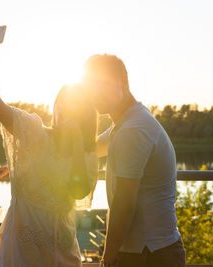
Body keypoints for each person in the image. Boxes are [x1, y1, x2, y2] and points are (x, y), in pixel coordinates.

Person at [0, 27, 99, 267]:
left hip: (62, 252)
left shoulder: (87, 154)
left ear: (85, 115)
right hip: (21, 251)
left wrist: (77, 143)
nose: (63, 111)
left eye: (72, 106)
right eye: (60, 103)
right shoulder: (34, 133)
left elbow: (78, 191)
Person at [82, 54, 186, 267]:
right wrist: (30, 152)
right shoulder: (128, 122)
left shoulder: (133, 130)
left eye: (101, 85)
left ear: (123, 82)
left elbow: (124, 204)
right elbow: (89, 148)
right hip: (150, 250)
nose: (94, 94)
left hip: (149, 255)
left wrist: (107, 260)